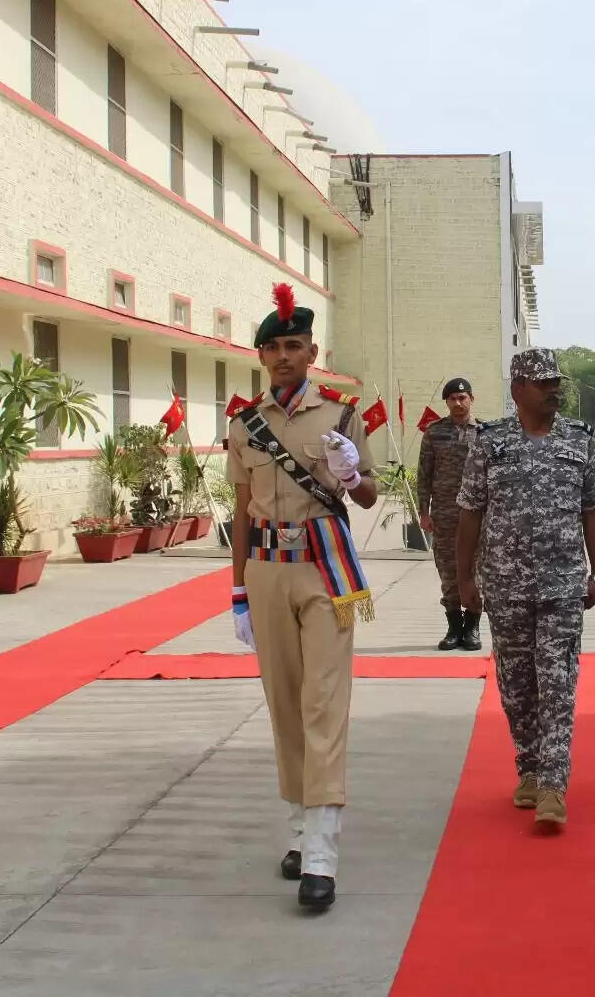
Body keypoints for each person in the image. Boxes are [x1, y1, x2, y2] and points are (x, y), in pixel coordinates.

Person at [226, 282, 378, 911]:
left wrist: (348, 472)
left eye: (295, 345)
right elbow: (239, 509)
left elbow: (368, 496)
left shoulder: (341, 416)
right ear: (261, 356)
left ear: (312, 350)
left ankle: (322, 851)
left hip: (324, 569)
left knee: (323, 702)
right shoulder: (243, 423)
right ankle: (298, 826)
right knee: (284, 703)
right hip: (265, 567)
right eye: (274, 347)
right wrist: (236, 589)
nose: (285, 356)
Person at [456, 348, 595, 829]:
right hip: (504, 584)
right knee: (517, 684)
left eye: (556, 382)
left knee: (558, 681)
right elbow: (470, 511)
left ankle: (553, 786)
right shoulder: (489, 441)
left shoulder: (580, 440)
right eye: (542, 383)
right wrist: (464, 578)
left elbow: (593, 509)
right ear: (518, 388)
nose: (553, 390)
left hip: (564, 583)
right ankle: (528, 770)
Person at [418, 377, 480, 652]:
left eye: (462, 397)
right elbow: (424, 475)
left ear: (471, 399)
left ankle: (473, 627)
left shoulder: (485, 433)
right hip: (443, 514)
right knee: (447, 571)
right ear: (447, 402)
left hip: (476, 515)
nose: (458, 403)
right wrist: (424, 511)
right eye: (452, 399)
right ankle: (454, 627)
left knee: (476, 571)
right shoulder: (434, 433)